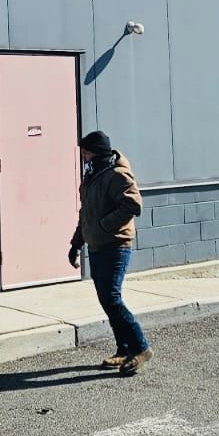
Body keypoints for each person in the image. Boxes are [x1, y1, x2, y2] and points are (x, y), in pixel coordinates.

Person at [68, 131, 152, 375]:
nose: (83, 157)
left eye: (86, 152)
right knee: (107, 299)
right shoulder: (92, 176)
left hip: (116, 244)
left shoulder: (116, 174)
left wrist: (104, 226)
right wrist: (76, 243)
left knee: (111, 297)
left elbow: (134, 204)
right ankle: (123, 348)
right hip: (97, 245)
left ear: (98, 153)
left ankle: (141, 347)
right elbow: (86, 213)